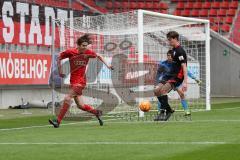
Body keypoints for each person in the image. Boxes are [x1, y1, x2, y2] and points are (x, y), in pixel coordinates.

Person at [49, 34, 114, 128]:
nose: (85, 47)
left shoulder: (88, 52)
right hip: (73, 82)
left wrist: (108, 65)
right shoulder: (70, 52)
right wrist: (60, 71)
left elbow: (99, 55)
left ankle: (57, 121)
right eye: (83, 45)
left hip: (81, 82)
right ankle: (96, 112)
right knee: (80, 105)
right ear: (78, 45)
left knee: (67, 98)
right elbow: (59, 57)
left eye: (86, 45)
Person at [155, 50, 201, 118]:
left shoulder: (176, 64)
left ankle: (186, 111)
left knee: (182, 94)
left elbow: (186, 71)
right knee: (161, 94)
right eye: (168, 55)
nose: (169, 57)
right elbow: (159, 73)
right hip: (167, 81)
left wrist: (195, 78)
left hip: (175, 81)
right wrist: (158, 81)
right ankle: (160, 111)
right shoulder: (163, 63)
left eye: (170, 56)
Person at [153, 31, 188, 121]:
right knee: (156, 91)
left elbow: (184, 67)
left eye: (170, 40)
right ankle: (169, 110)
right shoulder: (173, 50)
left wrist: (185, 82)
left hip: (177, 77)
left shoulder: (180, 51)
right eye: (168, 40)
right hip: (169, 75)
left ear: (175, 38)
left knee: (163, 90)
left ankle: (163, 111)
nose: (169, 42)